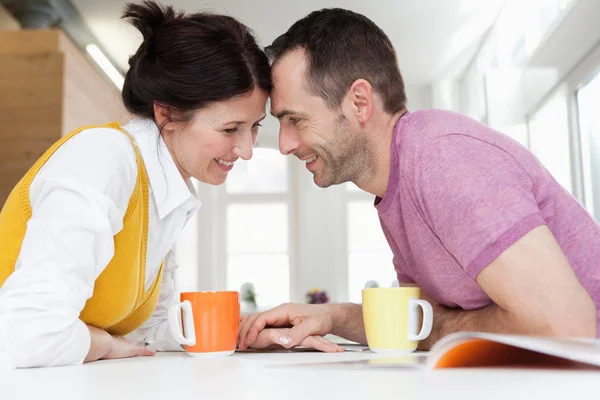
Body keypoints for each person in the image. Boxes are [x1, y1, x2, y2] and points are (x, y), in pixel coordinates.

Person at [238, 8, 600, 352]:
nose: (284, 144)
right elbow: (418, 321)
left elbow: (565, 327)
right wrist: (329, 315)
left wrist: (442, 327)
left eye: (295, 119)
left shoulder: (443, 157)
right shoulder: (397, 185)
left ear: (360, 102)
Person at [0, 0, 271, 368]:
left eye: (254, 127)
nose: (246, 150)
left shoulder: (166, 189)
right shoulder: (104, 158)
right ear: (167, 113)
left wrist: (245, 332)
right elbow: (26, 334)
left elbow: (149, 331)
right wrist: (105, 345)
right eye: (230, 129)